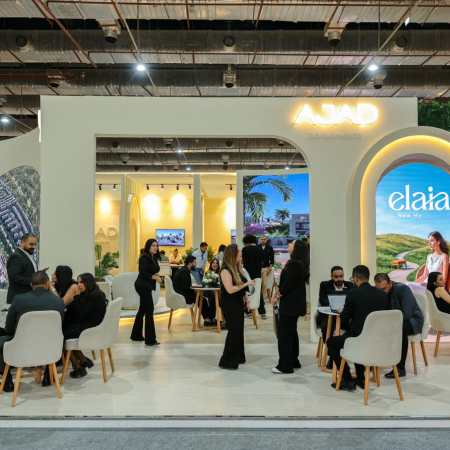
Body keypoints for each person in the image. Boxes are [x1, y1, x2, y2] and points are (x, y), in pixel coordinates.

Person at [327, 265, 389, 391]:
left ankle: (347, 380)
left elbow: (344, 319)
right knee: (355, 335)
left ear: (355, 278)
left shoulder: (353, 293)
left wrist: (348, 323)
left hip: (358, 340)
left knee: (332, 342)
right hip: (378, 341)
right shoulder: (382, 294)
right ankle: (360, 378)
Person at [0, 271, 65, 392]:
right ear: (47, 283)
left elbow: (9, 329)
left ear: (31, 284)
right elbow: (60, 327)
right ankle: (48, 375)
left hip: (22, 348)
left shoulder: (19, 300)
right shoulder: (58, 302)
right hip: (51, 348)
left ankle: (7, 382)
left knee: (2, 341)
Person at [374, 273, 424, 378]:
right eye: (379, 290)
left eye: (384, 289)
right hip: (395, 321)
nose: (383, 292)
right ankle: (373, 361)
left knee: (399, 329)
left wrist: (389, 323)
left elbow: (407, 313)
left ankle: (400, 368)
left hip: (412, 321)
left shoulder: (403, 289)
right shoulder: (381, 291)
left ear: (390, 283)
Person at [271, 240, 309, 374]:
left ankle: (285, 365)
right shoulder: (301, 263)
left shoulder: (294, 264)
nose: (289, 245)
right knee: (291, 332)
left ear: (296, 248)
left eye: (291, 243)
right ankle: (293, 360)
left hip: (289, 304)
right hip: (295, 304)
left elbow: (287, 285)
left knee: (284, 334)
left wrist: (277, 295)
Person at [63, 273, 108, 378]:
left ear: (88, 282)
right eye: (78, 282)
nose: (79, 285)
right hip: (91, 326)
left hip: (90, 329)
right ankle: (83, 359)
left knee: (61, 335)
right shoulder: (95, 294)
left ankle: (78, 367)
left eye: (82, 282)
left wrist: (75, 296)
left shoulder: (94, 297)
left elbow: (80, 313)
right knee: (65, 330)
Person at [218, 244, 255, 370]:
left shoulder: (237, 269)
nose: (241, 257)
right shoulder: (225, 271)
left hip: (237, 303)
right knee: (234, 330)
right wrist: (246, 284)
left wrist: (246, 298)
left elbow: (241, 288)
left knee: (239, 330)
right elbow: (230, 289)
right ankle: (227, 360)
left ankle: (238, 356)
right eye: (239, 254)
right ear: (233, 255)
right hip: (229, 304)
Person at [317, 266, 354, 367]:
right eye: (336, 277)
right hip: (329, 316)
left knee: (354, 326)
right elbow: (323, 300)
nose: (339, 279)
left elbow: (352, 300)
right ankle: (333, 356)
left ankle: (345, 353)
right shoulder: (325, 285)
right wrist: (335, 306)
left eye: (341, 276)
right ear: (331, 276)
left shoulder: (350, 285)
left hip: (345, 316)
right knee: (327, 328)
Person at [130, 238, 161, 346]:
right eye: (153, 245)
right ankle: (150, 340)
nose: (155, 247)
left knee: (143, 309)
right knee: (149, 310)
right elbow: (143, 272)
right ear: (148, 246)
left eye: (156, 245)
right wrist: (154, 277)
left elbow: (152, 270)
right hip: (142, 285)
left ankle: (136, 335)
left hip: (147, 285)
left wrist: (155, 275)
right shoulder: (144, 257)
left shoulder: (153, 257)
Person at [6, 233, 38, 304]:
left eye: (35, 244)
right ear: (22, 242)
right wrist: (33, 281)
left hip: (26, 298)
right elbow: (15, 277)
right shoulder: (16, 256)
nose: (34, 247)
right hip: (18, 299)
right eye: (31, 244)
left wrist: (39, 275)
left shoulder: (27, 255)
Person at [257, 235, 275, 320]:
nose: (263, 240)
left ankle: (263, 299)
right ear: (260, 240)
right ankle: (261, 300)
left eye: (264, 239)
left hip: (266, 268)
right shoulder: (257, 248)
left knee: (265, 285)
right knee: (260, 285)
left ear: (266, 240)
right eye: (262, 239)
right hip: (258, 268)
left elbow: (272, 259)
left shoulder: (270, 248)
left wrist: (269, 268)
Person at [201, 257, 220, 325]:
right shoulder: (207, 273)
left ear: (218, 265)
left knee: (213, 295)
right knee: (201, 299)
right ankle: (208, 318)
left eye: (216, 263)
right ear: (211, 264)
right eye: (213, 263)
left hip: (218, 293)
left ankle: (211, 318)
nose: (215, 264)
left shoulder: (220, 273)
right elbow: (203, 282)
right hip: (207, 292)